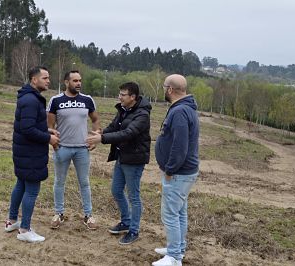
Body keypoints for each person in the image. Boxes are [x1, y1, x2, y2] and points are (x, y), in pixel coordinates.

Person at [86, 82, 151, 245]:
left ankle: (134, 230)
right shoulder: (123, 110)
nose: (119, 97)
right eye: (119, 94)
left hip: (135, 159)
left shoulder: (142, 115)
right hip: (122, 156)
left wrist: (102, 139)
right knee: (116, 190)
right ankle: (126, 221)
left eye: (122, 94)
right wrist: (101, 133)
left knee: (133, 196)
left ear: (132, 97)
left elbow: (128, 133)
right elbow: (114, 127)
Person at [5, 66, 60, 243]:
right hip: (30, 153)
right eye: (45, 78)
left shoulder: (30, 97)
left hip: (25, 152)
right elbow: (27, 129)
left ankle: (12, 221)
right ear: (34, 80)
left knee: (21, 183)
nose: (48, 81)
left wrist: (47, 129)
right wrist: (49, 139)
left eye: (48, 77)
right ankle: (25, 229)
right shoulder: (31, 100)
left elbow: (30, 124)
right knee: (32, 189)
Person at [152, 74, 199, 266]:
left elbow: (180, 146)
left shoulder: (179, 111)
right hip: (184, 172)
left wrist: (170, 169)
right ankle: (177, 248)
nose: (164, 90)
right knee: (179, 212)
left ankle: (173, 257)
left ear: (170, 89)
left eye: (164, 87)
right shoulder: (186, 108)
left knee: (170, 214)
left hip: (178, 173)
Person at [47, 70, 100, 230]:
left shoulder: (87, 100)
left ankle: (88, 215)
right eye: (75, 81)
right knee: (59, 182)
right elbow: (49, 126)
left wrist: (96, 135)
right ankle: (58, 213)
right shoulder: (56, 100)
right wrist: (54, 144)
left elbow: (95, 119)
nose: (78, 83)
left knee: (84, 182)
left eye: (80, 80)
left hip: (82, 150)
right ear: (66, 82)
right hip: (62, 148)